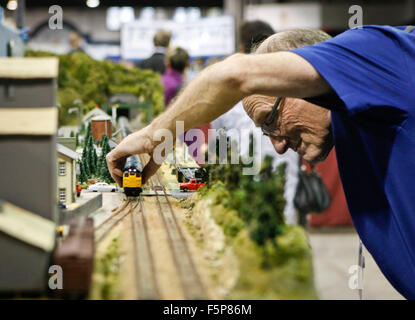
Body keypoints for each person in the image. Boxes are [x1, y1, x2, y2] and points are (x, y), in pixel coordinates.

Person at [107, 25, 415, 299]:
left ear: (303, 80)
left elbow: (232, 75)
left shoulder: (381, 54)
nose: (278, 145)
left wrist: (153, 136)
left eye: (270, 120)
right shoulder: (358, 123)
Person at [212, 20, 296, 225]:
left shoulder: (228, 76)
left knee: (244, 228)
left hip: (241, 166)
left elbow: (219, 135)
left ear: (241, 46)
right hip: (282, 162)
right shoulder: (289, 73)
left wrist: (221, 173)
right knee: (282, 219)